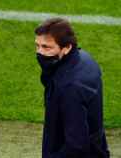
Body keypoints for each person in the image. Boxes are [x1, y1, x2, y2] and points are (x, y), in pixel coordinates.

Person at [34, 18, 109, 158]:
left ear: (67, 47)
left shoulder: (69, 88)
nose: (40, 52)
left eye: (46, 47)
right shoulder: (84, 58)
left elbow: (76, 145)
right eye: (37, 45)